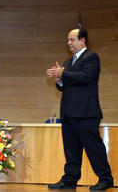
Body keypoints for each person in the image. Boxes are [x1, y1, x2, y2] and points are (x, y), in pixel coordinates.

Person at [46, 28, 113, 191]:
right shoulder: (68, 63)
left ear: (82, 41)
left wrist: (63, 74)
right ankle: (70, 179)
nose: (69, 43)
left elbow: (86, 77)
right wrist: (59, 79)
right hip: (69, 112)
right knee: (71, 149)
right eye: (68, 40)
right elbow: (65, 86)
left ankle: (105, 178)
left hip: (86, 112)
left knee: (93, 148)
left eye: (72, 39)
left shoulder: (92, 58)